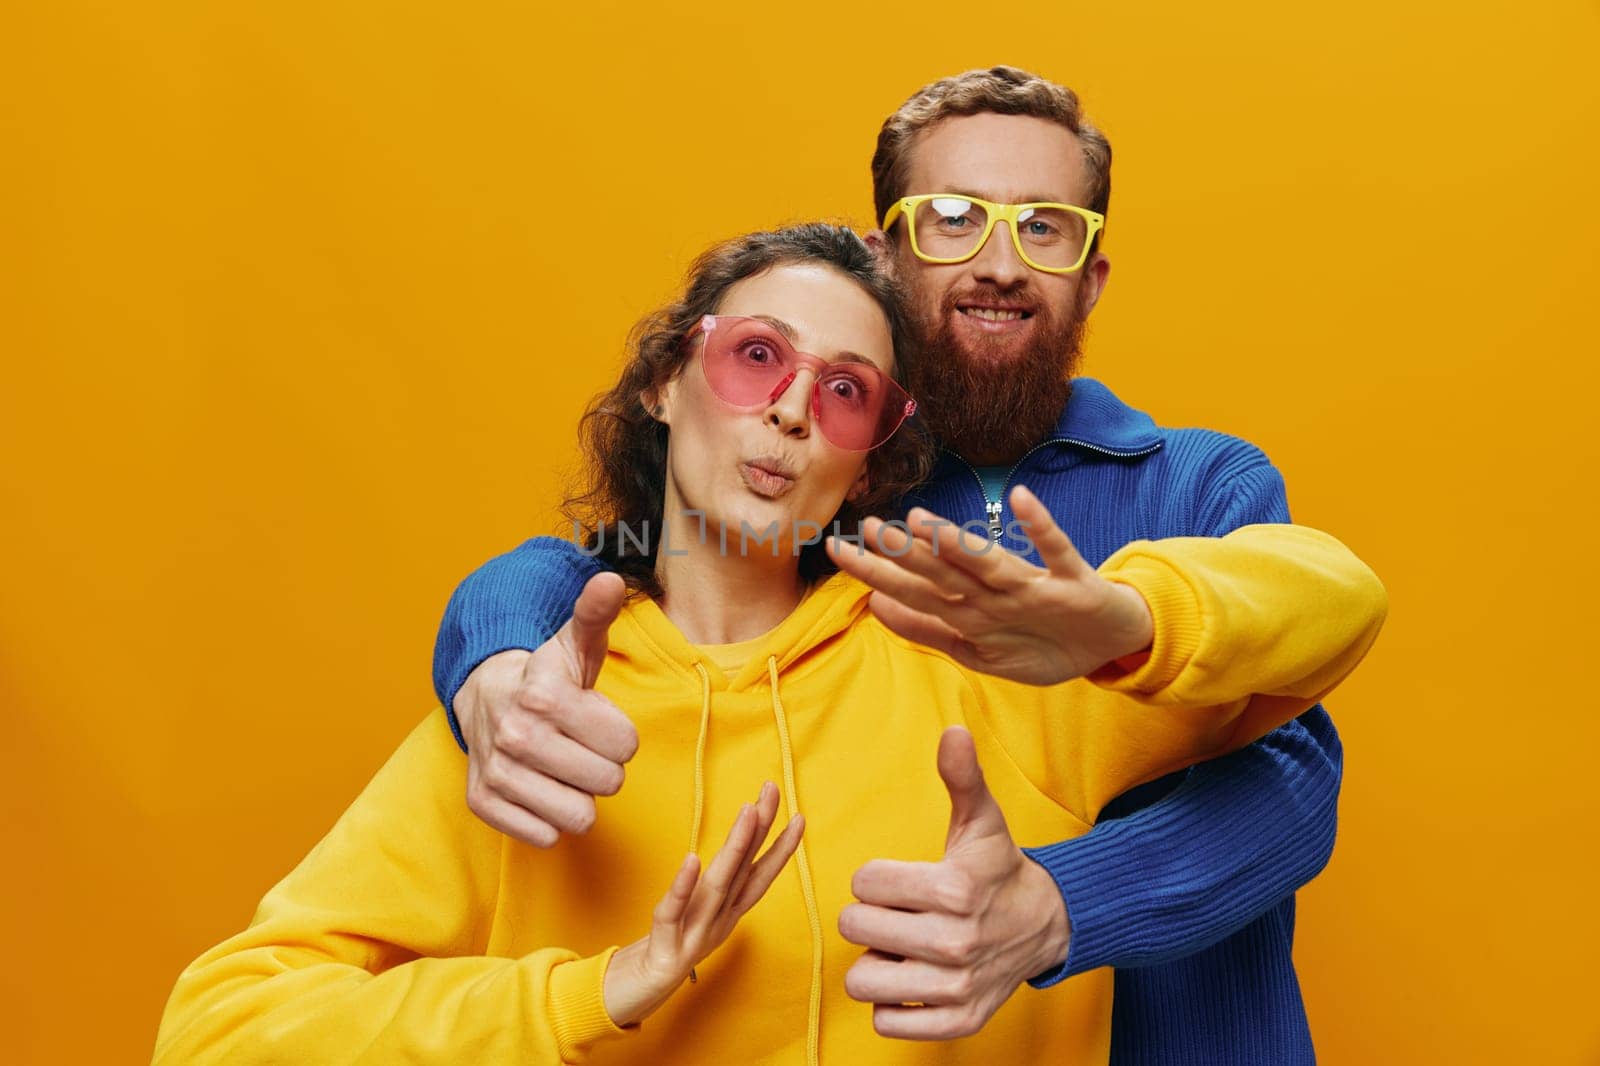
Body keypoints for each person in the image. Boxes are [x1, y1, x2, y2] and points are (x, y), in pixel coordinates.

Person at [153, 224, 1385, 1065]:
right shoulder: (534, 719)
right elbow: (218, 1029)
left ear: (871, 457)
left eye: (844, 389)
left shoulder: (977, 666)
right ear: (664, 382)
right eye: (757, 359)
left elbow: (1336, 601)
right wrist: (590, 993)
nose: (794, 406)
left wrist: (1129, 617)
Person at [437, 68, 1357, 1061]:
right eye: (951, 218)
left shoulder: (1199, 483)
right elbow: (617, 564)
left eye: (1043, 227)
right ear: (886, 257)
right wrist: (491, 653)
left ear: (1089, 275)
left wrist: (1056, 902)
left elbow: (1293, 774)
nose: (998, 263)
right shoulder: (826, 484)